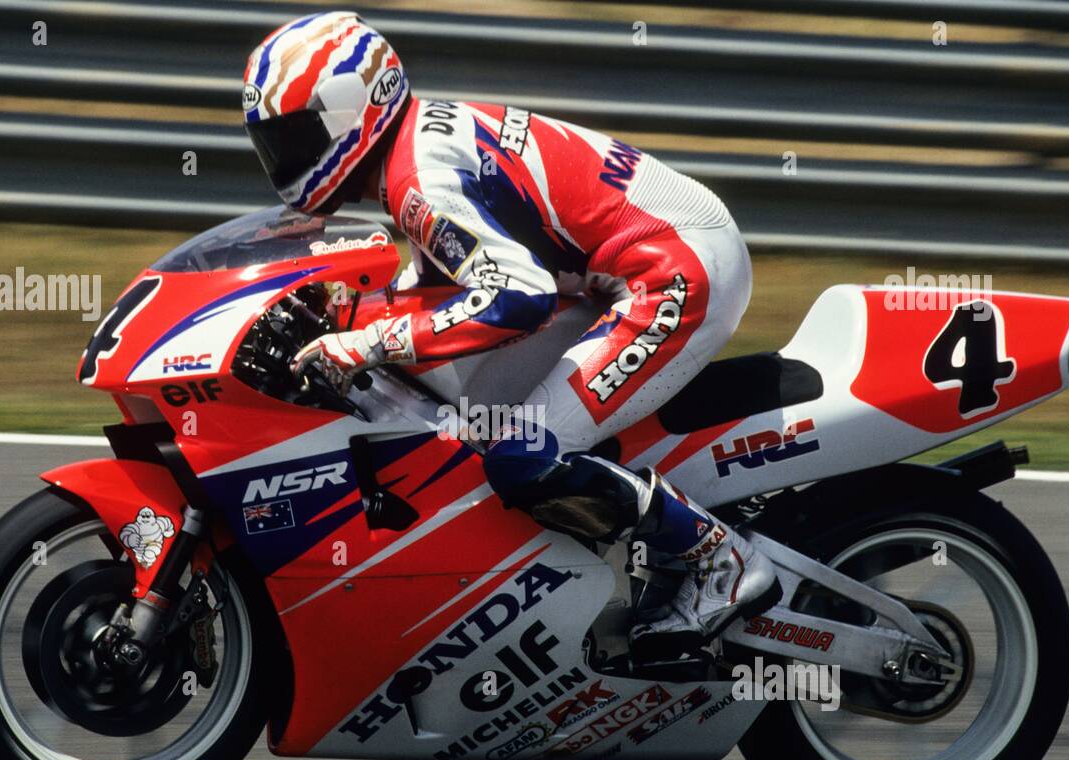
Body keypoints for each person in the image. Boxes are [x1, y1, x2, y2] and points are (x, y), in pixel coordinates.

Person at [242, 11, 779, 663]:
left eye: (297, 136)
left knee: (524, 452)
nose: (285, 157)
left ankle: (720, 559)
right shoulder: (416, 146)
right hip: (637, 265)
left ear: (356, 109)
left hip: (672, 274)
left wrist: (370, 344)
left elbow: (519, 296)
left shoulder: (419, 180)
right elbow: (467, 273)